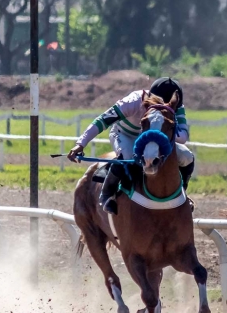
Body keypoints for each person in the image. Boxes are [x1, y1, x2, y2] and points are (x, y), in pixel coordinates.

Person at [67, 77, 194, 214]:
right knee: (128, 155)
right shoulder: (132, 102)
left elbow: (183, 137)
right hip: (125, 135)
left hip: (157, 138)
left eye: (170, 107)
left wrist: (162, 128)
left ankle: (182, 192)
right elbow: (102, 121)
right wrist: (80, 144)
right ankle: (107, 194)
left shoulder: (176, 105)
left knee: (186, 156)